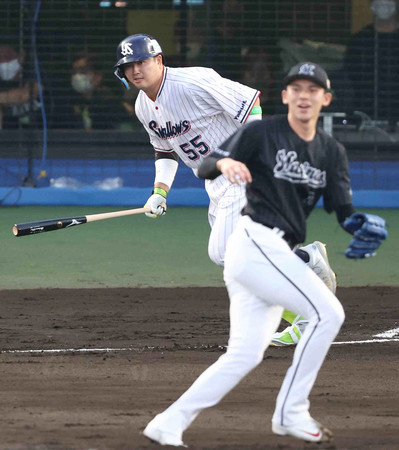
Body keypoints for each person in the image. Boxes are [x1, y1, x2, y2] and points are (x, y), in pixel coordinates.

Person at [142, 62, 387, 446]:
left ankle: (167, 423)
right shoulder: (261, 133)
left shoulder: (331, 152)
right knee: (330, 313)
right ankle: (291, 413)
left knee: (244, 355)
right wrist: (222, 161)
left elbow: (341, 208)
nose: (304, 95)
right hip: (256, 242)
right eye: (296, 88)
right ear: (285, 96)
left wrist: (360, 226)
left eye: (313, 89)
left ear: (326, 99)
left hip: (262, 255)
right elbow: (206, 163)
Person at [113, 34, 336, 347]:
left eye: (142, 61)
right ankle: (305, 265)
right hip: (216, 184)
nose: (136, 69)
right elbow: (165, 152)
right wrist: (160, 192)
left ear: (159, 60)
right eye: (128, 66)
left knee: (226, 254)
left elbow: (251, 103)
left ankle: (308, 303)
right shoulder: (142, 107)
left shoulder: (193, 81)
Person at [343, 0, 399, 128]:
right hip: (367, 111)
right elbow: (351, 75)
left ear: (397, 3)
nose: (383, 4)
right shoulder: (360, 40)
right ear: (371, 5)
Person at [62, 52, 131, 130]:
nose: (77, 76)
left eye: (83, 71)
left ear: (98, 76)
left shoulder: (110, 103)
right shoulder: (68, 103)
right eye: (74, 71)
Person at [0, 44, 41, 129]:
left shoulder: (34, 73)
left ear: (22, 55)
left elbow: (26, 95)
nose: (3, 61)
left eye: (7, 56)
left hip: (47, 135)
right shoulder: (3, 84)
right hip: (12, 137)